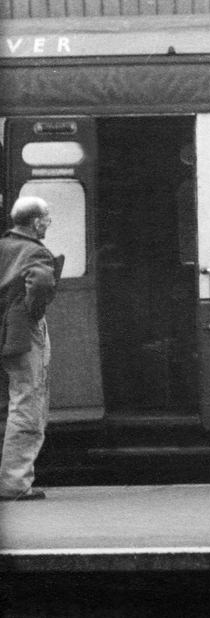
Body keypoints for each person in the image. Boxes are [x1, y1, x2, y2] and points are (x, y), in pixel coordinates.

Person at [0, 196, 58, 501]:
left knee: (5, 405)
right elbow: (40, 286)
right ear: (35, 222)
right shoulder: (35, 252)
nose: (49, 222)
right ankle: (14, 483)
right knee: (28, 401)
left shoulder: (2, 246)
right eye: (47, 218)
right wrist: (32, 313)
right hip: (23, 334)